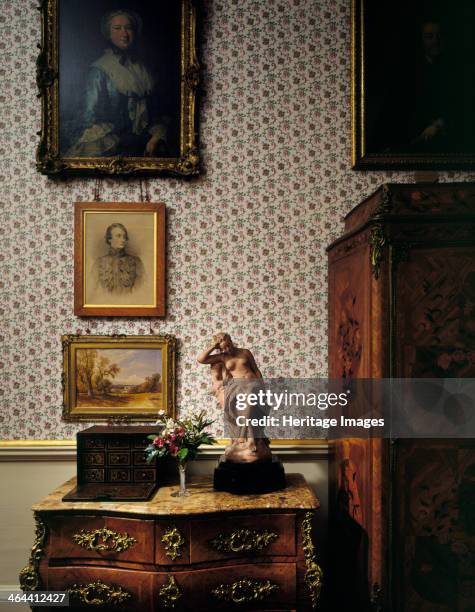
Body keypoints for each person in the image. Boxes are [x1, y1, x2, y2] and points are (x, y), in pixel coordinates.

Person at [67, 9, 168, 157]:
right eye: (117, 28)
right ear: (108, 33)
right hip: (114, 144)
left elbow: (154, 113)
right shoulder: (99, 70)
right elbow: (88, 116)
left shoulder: (142, 68)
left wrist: (155, 137)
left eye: (128, 28)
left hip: (143, 142)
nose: (125, 34)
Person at [197, 333, 272, 463]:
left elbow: (256, 369)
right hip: (237, 386)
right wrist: (213, 346)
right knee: (244, 400)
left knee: (251, 395)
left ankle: (243, 434)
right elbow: (201, 359)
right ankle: (245, 438)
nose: (227, 350)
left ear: (231, 341)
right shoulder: (221, 357)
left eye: (228, 346)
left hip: (253, 383)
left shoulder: (245, 352)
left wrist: (262, 385)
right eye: (223, 348)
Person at [92, 223, 144, 294]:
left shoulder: (136, 262)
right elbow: (92, 290)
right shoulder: (98, 263)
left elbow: (141, 290)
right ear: (109, 239)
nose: (123, 240)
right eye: (118, 236)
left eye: (124, 237)